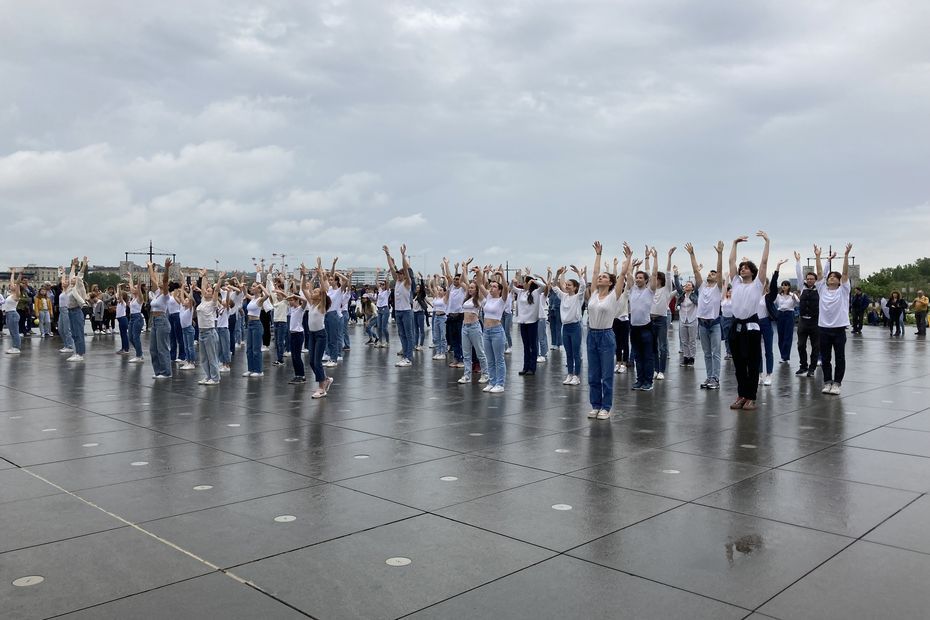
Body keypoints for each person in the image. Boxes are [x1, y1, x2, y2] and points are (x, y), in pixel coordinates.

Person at [585, 241, 632, 419]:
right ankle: (595, 405)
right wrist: (598, 255)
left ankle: (606, 407)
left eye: (604, 277)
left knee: (606, 375)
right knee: (593, 374)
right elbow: (595, 272)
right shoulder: (594, 294)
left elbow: (621, 275)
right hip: (592, 335)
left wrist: (628, 258)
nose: (600, 278)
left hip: (606, 335)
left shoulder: (614, 295)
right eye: (600, 277)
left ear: (610, 282)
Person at [727, 231, 770, 411]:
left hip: (751, 325)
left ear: (752, 272)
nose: (742, 269)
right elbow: (731, 262)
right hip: (736, 325)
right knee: (738, 364)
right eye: (741, 267)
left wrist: (767, 242)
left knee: (752, 363)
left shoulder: (757, 284)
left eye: (746, 267)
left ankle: (751, 397)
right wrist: (734, 243)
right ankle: (741, 395)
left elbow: (764, 264)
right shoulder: (735, 283)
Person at [686, 241, 724, 389]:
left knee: (715, 353)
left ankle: (716, 378)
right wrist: (692, 254)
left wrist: (719, 254)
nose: (710, 274)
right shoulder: (702, 287)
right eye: (709, 273)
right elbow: (696, 271)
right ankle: (709, 377)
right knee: (707, 353)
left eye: (713, 274)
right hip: (702, 324)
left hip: (714, 324)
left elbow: (720, 272)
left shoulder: (718, 288)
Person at [815, 244, 852, 395]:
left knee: (840, 357)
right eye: (829, 277)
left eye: (834, 277)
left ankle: (837, 383)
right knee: (825, 358)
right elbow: (818, 273)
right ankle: (827, 382)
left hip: (838, 329)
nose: (831, 278)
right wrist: (817, 256)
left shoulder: (843, 290)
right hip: (823, 329)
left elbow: (844, 273)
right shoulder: (822, 289)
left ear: (839, 281)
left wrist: (846, 255)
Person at [299, 258, 335, 397]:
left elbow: (325, 291)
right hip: (312, 334)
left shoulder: (322, 305)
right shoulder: (311, 304)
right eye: (313, 291)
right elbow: (303, 288)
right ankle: (325, 379)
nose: (312, 292)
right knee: (312, 362)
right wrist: (303, 275)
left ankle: (321, 388)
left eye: (315, 292)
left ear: (320, 296)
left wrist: (320, 273)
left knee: (317, 361)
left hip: (320, 334)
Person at [553, 264, 586, 386]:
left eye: (569, 285)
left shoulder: (578, 297)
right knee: (568, 353)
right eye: (566, 285)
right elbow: (554, 287)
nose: (567, 286)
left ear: (575, 287)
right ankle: (570, 374)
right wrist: (557, 274)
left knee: (576, 353)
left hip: (575, 327)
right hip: (565, 328)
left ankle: (577, 376)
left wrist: (579, 274)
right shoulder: (563, 296)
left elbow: (583, 286)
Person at [457, 267, 489, 384]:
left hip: (474, 326)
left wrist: (478, 272)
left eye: (472, 288)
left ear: (476, 290)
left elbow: (480, 283)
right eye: (469, 287)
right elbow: (462, 281)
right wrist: (464, 268)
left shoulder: (479, 298)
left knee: (480, 352)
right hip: (464, 327)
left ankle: (485, 374)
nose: (470, 289)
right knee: (466, 354)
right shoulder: (467, 298)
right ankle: (467, 375)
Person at [478, 266, 508, 393]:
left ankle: (500, 384)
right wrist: (482, 273)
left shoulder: (502, 300)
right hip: (486, 331)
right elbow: (480, 284)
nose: (492, 288)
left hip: (497, 331)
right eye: (492, 286)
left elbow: (506, 288)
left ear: (499, 290)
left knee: (498, 359)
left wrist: (502, 275)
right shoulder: (489, 298)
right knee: (490, 359)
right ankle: (492, 382)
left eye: (495, 286)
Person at [385, 245, 414, 368]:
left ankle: (408, 357)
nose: (398, 275)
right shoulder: (397, 282)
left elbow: (406, 269)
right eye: (398, 274)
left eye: (400, 274)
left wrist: (403, 255)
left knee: (409, 334)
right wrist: (387, 254)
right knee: (401, 334)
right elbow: (392, 267)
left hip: (407, 311)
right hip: (398, 312)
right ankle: (405, 356)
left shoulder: (407, 283)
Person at [650, 246, 676, 380]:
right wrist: (652, 258)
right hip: (651, 319)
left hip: (661, 320)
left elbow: (668, 273)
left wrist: (669, 257)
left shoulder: (666, 289)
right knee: (653, 346)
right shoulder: (651, 290)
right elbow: (651, 273)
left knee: (663, 346)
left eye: (656, 278)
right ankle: (655, 369)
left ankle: (661, 370)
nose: (654, 279)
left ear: (661, 279)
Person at [794, 253, 820, 378]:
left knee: (815, 346)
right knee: (800, 345)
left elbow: (822, 273)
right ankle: (803, 366)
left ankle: (812, 368)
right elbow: (799, 275)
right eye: (808, 278)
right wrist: (798, 261)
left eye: (812, 278)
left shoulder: (819, 289)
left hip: (815, 322)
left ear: (815, 280)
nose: (809, 280)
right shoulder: (802, 288)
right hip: (803, 321)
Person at [513, 269, 542, 376]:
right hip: (523, 322)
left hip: (532, 322)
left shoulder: (535, 292)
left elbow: (544, 286)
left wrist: (533, 281)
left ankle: (532, 368)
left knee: (532, 346)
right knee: (525, 346)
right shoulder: (520, 292)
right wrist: (513, 280)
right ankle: (525, 367)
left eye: (524, 281)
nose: (523, 283)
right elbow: (511, 287)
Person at [194, 269, 220, 385]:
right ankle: (208, 376)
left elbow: (216, 290)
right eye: (206, 290)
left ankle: (215, 378)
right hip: (201, 332)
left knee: (212, 357)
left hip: (209, 332)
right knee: (204, 358)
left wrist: (220, 279)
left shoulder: (213, 303)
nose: (206, 291)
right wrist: (203, 276)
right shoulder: (203, 301)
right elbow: (204, 286)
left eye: (209, 291)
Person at [148, 258, 173, 378]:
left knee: (162, 348)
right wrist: (150, 267)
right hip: (154, 321)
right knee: (153, 349)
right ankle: (158, 371)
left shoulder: (165, 296)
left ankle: (166, 372)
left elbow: (165, 280)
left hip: (162, 320)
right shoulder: (157, 293)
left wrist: (167, 268)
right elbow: (153, 278)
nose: (159, 284)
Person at [243, 280, 271, 377]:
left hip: (256, 324)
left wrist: (260, 285)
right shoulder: (252, 299)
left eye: (253, 286)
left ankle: (259, 370)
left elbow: (267, 295)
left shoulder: (260, 299)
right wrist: (242, 284)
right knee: (249, 349)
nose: (252, 287)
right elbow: (245, 293)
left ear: (258, 289)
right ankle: (250, 369)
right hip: (250, 324)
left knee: (256, 349)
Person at [673, 267, 698, 368]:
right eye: (686, 285)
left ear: (692, 287)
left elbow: (698, 285)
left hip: (692, 320)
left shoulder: (695, 295)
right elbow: (677, 285)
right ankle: (686, 358)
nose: (687, 286)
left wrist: (697, 272)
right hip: (683, 320)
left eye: (689, 285)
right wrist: (676, 275)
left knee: (692, 340)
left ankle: (692, 358)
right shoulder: (681, 295)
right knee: (684, 340)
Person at [774, 273, 799, 363]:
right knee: (781, 335)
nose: (784, 287)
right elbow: (773, 303)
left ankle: (786, 356)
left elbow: (798, 303)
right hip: (780, 314)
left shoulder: (792, 295)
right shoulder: (778, 295)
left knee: (788, 336)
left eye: (786, 285)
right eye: (782, 285)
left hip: (789, 314)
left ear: (789, 287)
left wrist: (794, 299)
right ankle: (782, 356)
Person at [126, 270, 145, 362]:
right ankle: (139, 353)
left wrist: (139, 280)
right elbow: (130, 285)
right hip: (132, 317)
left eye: (136, 288)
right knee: (130, 337)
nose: (133, 288)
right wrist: (130, 276)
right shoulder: (133, 298)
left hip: (137, 317)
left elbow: (138, 288)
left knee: (136, 337)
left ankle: (139, 355)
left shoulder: (140, 298)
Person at [4, 268, 22, 354]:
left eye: (13, 285)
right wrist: (13, 273)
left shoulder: (16, 295)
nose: (11, 285)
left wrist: (20, 274)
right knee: (12, 332)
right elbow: (12, 282)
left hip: (13, 314)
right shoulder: (10, 294)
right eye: (11, 285)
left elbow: (17, 283)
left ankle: (16, 348)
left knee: (15, 332)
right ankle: (14, 346)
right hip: (9, 314)